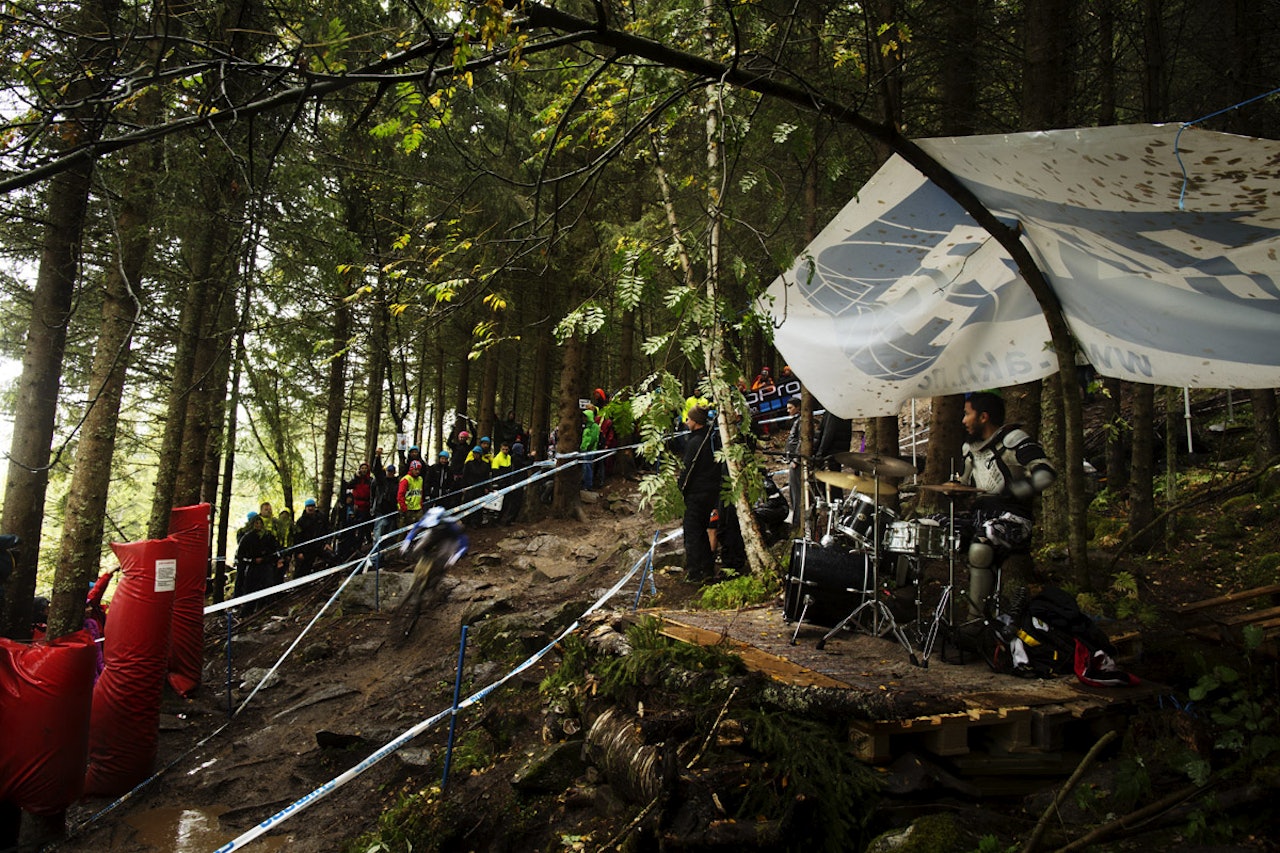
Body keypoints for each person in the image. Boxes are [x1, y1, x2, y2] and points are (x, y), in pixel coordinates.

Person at [955, 391, 1057, 617]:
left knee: (982, 543)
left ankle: (975, 622)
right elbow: (963, 483)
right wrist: (952, 489)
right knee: (926, 527)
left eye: (967, 414)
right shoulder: (969, 449)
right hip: (978, 515)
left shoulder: (1013, 440)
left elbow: (1046, 472)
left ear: (983, 417)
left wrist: (1018, 490)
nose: (963, 420)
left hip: (1014, 519)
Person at [679, 406, 721, 584]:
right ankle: (707, 569)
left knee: (693, 534)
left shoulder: (695, 442)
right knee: (705, 532)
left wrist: (680, 488)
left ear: (695, 422)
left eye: (688, 419)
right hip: (712, 492)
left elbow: (687, 470)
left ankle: (695, 572)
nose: (686, 422)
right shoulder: (713, 439)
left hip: (696, 494)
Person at [236, 514, 283, 611]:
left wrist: (277, 559)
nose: (258, 525)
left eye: (260, 523)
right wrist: (252, 560)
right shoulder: (247, 538)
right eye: (256, 523)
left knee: (268, 585)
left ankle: (267, 606)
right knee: (250, 588)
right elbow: (240, 556)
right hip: (253, 567)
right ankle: (248, 609)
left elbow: (275, 549)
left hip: (266, 565)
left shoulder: (268, 536)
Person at [294, 497, 331, 577]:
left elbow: (328, 530)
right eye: (308, 506)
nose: (310, 508)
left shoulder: (321, 517)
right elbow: (297, 538)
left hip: (320, 545)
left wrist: (327, 543)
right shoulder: (301, 521)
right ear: (305, 508)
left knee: (332, 558)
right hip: (307, 549)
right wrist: (299, 552)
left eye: (312, 506)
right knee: (302, 570)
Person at [371, 454, 400, 548]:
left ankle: (382, 557)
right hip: (381, 511)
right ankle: (374, 559)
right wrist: (377, 457)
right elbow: (376, 470)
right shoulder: (381, 481)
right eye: (388, 471)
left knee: (387, 537)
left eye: (392, 472)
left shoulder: (397, 482)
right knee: (378, 535)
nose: (390, 473)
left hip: (392, 512)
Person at [782, 397, 803, 526]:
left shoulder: (801, 421)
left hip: (797, 462)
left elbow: (802, 440)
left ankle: (798, 520)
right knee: (793, 491)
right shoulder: (796, 421)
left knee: (796, 491)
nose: (788, 411)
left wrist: (796, 459)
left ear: (798, 407)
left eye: (791, 408)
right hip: (793, 459)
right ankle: (796, 518)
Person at [398, 460, 425, 527]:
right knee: (403, 531)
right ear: (411, 469)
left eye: (419, 470)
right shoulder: (406, 480)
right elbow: (400, 495)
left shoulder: (420, 479)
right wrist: (404, 509)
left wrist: (421, 504)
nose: (417, 472)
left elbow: (421, 493)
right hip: (407, 509)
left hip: (418, 509)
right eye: (415, 469)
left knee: (419, 529)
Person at [581, 407, 601, 490]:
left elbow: (593, 438)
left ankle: (588, 485)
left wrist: (588, 447)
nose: (583, 418)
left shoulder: (594, 426)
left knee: (588, 468)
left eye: (585, 416)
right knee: (585, 467)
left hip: (589, 451)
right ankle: (585, 483)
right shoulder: (586, 427)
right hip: (584, 450)